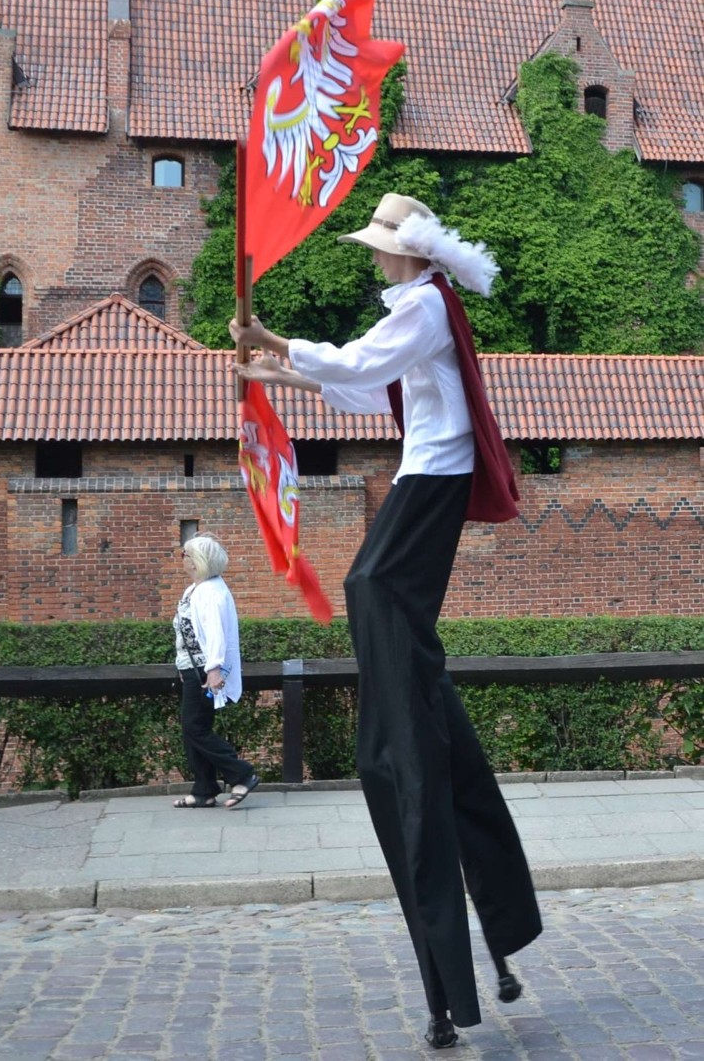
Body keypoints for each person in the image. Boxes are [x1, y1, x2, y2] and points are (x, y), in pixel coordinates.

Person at [230, 194, 542, 1048]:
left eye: (379, 249)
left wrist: (274, 341)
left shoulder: (427, 306)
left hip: (433, 485)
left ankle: (407, 699)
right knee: (382, 611)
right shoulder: (419, 310)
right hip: (422, 480)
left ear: (407, 254)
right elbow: (369, 390)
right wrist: (275, 376)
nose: (373, 260)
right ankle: (415, 696)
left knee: (370, 586)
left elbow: (365, 360)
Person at [172, 532, 260, 810]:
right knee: (195, 729)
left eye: (185, 554)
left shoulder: (210, 592)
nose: (182, 559)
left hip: (202, 671)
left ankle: (242, 774)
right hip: (192, 669)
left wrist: (213, 671)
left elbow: (215, 634)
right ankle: (204, 790)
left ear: (196, 561)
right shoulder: (197, 589)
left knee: (195, 729)